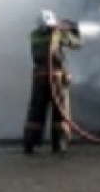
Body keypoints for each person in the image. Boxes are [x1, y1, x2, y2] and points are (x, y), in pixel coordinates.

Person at [23, 9, 83, 155]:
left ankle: (30, 142)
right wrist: (75, 30)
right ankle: (60, 143)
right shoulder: (59, 34)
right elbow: (78, 44)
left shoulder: (34, 35)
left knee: (36, 111)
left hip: (39, 79)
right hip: (56, 79)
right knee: (60, 111)